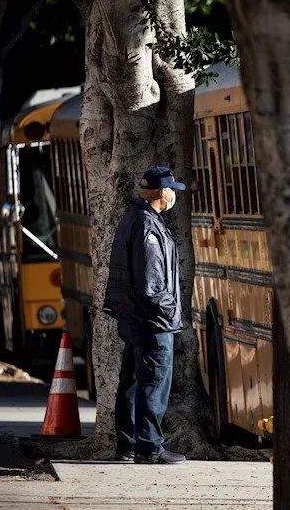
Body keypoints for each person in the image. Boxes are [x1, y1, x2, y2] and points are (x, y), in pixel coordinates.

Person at [103, 167, 187, 464]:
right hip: (151, 319)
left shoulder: (135, 218)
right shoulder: (147, 225)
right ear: (161, 193)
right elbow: (150, 284)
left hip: (135, 317)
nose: (174, 194)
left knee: (133, 382)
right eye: (172, 189)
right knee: (153, 383)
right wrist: (170, 311)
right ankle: (150, 448)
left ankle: (127, 446)